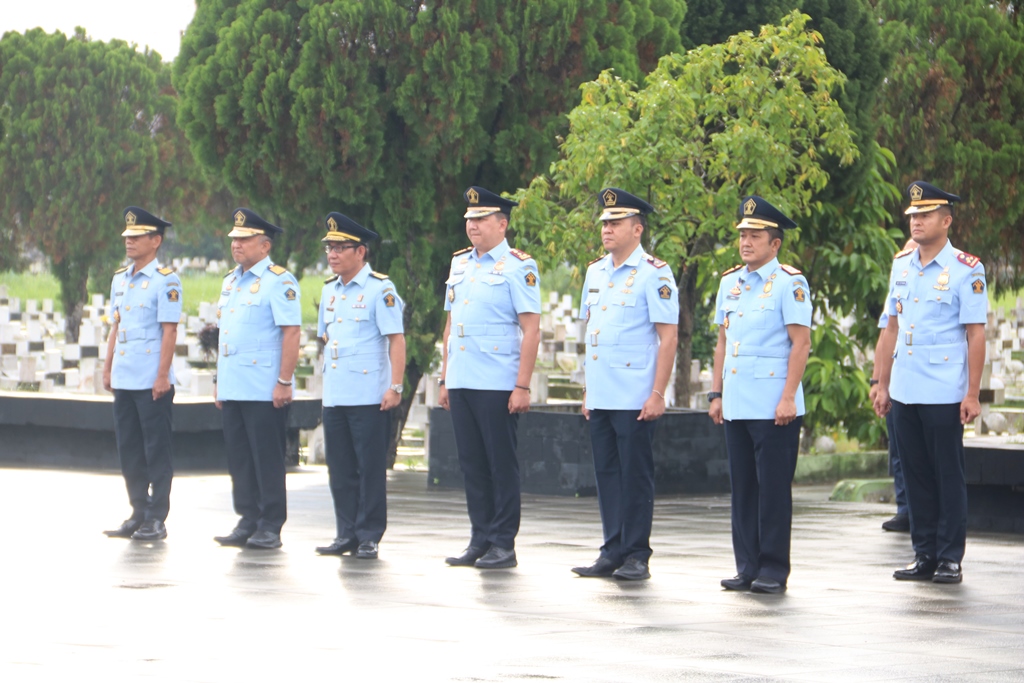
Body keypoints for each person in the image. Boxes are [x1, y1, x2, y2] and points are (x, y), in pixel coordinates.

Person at [873, 181, 986, 584]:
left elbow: (976, 334)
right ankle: (923, 553)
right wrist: (882, 385)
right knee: (915, 472)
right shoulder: (901, 266)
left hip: (943, 386)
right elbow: (891, 329)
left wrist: (971, 393)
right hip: (905, 385)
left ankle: (950, 556)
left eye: (924, 215)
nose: (916, 222)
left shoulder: (967, 270)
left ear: (946, 220)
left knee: (946, 473)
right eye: (913, 216)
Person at [571, 188, 678, 582]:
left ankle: (636, 554)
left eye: (615, 223)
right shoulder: (595, 271)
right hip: (602, 392)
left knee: (635, 476)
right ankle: (611, 548)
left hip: (635, 393)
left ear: (637, 229)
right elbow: (593, 333)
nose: (607, 230)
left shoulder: (655, 274)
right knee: (608, 475)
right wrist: (587, 389)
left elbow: (668, 337)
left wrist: (657, 393)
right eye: (604, 223)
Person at [709, 196, 812, 594]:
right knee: (743, 490)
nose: (746, 242)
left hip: (774, 405)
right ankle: (746, 565)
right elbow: (722, 342)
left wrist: (788, 397)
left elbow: (799, 345)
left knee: (771, 490)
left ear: (775, 243)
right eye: (743, 235)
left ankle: (772, 568)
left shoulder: (790, 282)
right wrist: (715, 393)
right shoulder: (728, 283)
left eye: (756, 235)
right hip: (736, 401)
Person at [438, 186, 541, 569]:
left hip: (498, 381)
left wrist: (522, 385)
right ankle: (479, 537)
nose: (472, 226)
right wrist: (445, 377)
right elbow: (451, 325)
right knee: (472, 463)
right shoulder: (460, 264)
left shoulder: (519, 266)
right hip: (463, 377)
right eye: (469, 219)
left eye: (480, 219)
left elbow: (531, 329)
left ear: (502, 223)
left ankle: (503, 543)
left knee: (500, 464)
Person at [314, 212, 405, 560]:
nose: (333, 254)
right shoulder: (329, 291)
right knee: (339, 468)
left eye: (341, 247)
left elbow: (396, 340)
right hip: (337, 393)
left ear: (361, 252)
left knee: (368, 469)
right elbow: (327, 336)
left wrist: (395, 386)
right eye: (330, 248)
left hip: (369, 395)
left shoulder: (379, 289)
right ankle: (346, 532)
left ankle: (369, 534)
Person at [213, 208, 302, 550]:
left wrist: (284, 380)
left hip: (264, 386)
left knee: (266, 456)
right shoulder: (230, 281)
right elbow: (226, 336)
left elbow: (291, 333)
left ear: (264, 246)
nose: (237, 245)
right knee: (239, 457)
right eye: (234, 239)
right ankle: (247, 518)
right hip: (235, 383)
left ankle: (270, 523)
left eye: (245, 239)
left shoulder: (279, 281)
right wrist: (220, 381)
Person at [102, 207, 182, 541]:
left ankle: (156, 517)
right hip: (125, 376)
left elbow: (169, 332)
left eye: (136, 237)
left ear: (156, 241)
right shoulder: (120, 279)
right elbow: (115, 326)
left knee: (156, 449)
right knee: (130, 448)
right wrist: (107, 368)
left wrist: (162, 376)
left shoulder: (166, 281)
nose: (129, 242)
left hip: (152, 380)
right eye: (127, 237)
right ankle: (137, 510)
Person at [869, 240, 917, 534]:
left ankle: (921, 510)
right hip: (896, 378)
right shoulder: (897, 292)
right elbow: (885, 338)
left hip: (923, 379)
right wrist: (877, 382)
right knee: (898, 450)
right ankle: (905, 508)